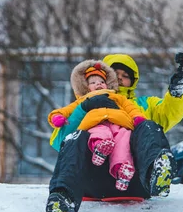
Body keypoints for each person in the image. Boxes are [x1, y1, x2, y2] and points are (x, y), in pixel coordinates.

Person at [46, 53, 183, 212]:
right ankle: (63, 197)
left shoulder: (145, 105)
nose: (120, 79)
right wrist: (83, 109)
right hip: (91, 179)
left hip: (134, 180)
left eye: (126, 76)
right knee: (75, 137)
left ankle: (155, 174)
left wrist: (175, 96)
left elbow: (167, 112)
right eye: (116, 73)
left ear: (133, 81)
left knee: (147, 125)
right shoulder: (82, 104)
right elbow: (60, 141)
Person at [47, 60, 146, 197]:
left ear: (108, 83)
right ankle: (100, 148)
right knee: (99, 132)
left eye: (101, 81)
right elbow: (67, 110)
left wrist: (137, 118)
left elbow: (131, 108)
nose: (98, 84)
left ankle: (122, 170)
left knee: (123, 140)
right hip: (96, 122)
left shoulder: (116, 97)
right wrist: (57, 117)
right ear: (86, 88)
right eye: (93, 82)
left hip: (118, 123)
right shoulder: (84, 99)